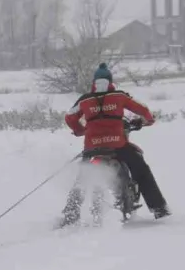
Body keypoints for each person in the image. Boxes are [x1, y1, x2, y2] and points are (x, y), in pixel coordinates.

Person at [60, 63, 170, 226]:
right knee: (141, 170)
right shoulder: (119, 96)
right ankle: (158, 208)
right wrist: (148, 120)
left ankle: (71, 212)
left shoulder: (85, 99)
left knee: (82, 177)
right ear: (110, 81)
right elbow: (142, 109)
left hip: (92, 147)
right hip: (118, 145)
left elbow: (69, 117)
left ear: (94, 82)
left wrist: (80, 130)